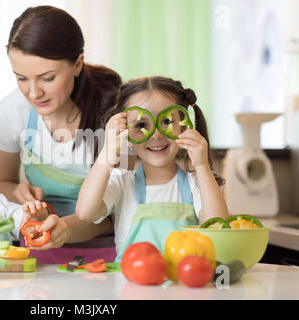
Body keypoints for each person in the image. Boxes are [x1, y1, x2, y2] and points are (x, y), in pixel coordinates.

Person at [0, 6, 122, 263]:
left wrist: (63, 229)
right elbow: (0, 183)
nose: (34, 92)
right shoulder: (12, 112)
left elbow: (114, 211)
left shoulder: (113, 115)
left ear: (77, 64)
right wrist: (17, 192)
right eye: (21, 78)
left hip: (105, 253)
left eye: (47, 78)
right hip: (36, 247)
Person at [76, 76, 229, 262]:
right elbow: (85, 212)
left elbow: (217, 225)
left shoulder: (195, 183)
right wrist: (108, 152)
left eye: (166, 122)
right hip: (130, 288)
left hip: (183, 287)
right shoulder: (122, 182)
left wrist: (202, 166)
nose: (156, 135)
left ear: (183, 126)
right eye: (141, 125)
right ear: (127, 135)